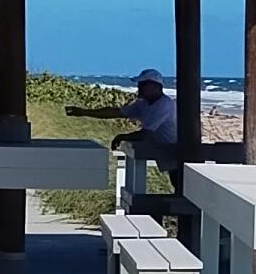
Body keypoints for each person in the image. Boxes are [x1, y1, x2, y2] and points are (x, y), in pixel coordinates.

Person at [68, 68, 180, 196]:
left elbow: (146, 134)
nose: (139, 87)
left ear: (155, 86)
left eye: (143, 84)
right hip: (168, 155)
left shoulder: (164, 105)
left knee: (182, 189)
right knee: (179, 188)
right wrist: (84, 112)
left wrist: (121, 137)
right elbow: (116, 112)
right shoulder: (143, 104)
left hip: (176, 153)